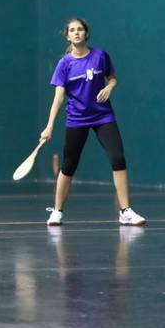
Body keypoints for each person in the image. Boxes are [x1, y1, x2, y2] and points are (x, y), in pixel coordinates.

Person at [40, 18, 145, 227]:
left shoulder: (100, 56)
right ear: (68, 36)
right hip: (77, 118)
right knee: (69, 165)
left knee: (118, 158)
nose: (77, 32)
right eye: (72, 30)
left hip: (103, 116)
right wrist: (50, 125)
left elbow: (113, 78)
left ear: (86, 34)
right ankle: (57, 211)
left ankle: (125, 211)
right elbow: (58, 98)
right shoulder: (64, 64)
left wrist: (109, 87)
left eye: (80, 29)